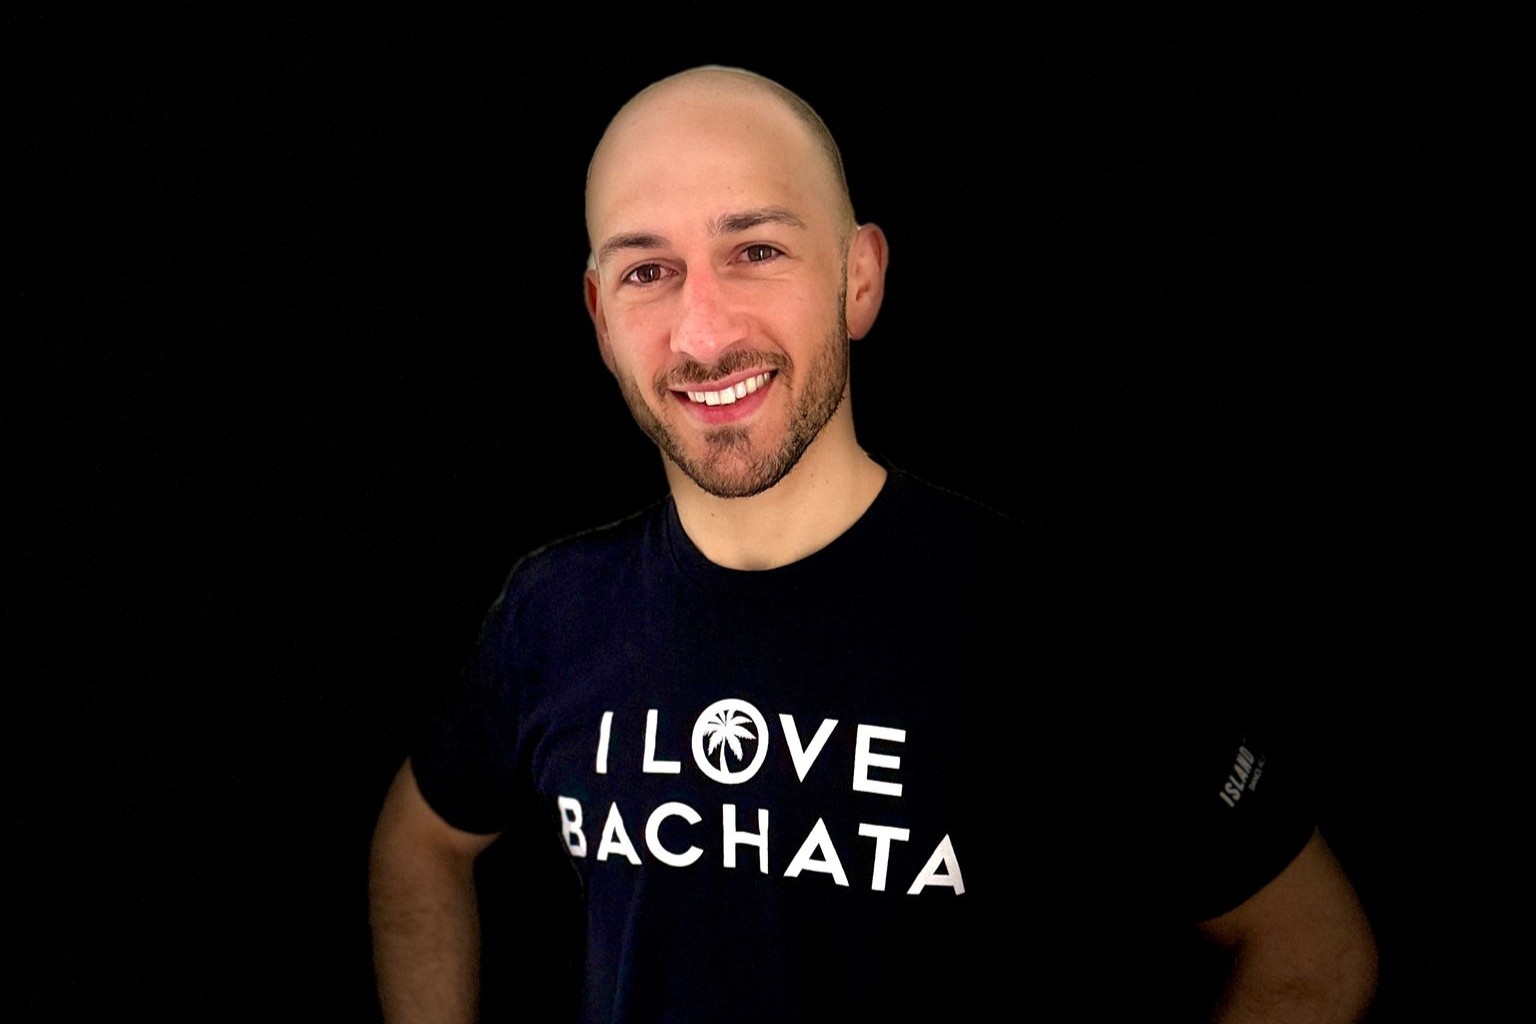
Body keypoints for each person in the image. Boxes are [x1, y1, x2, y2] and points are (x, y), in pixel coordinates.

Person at [369, 65, 1378, 1022]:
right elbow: (420, 842)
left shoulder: (1049, 620)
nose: (703, 334)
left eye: (756, 251)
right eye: (648, 271)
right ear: (600, 318)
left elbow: (1313, 950)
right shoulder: (551, 611)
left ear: (858, 279)